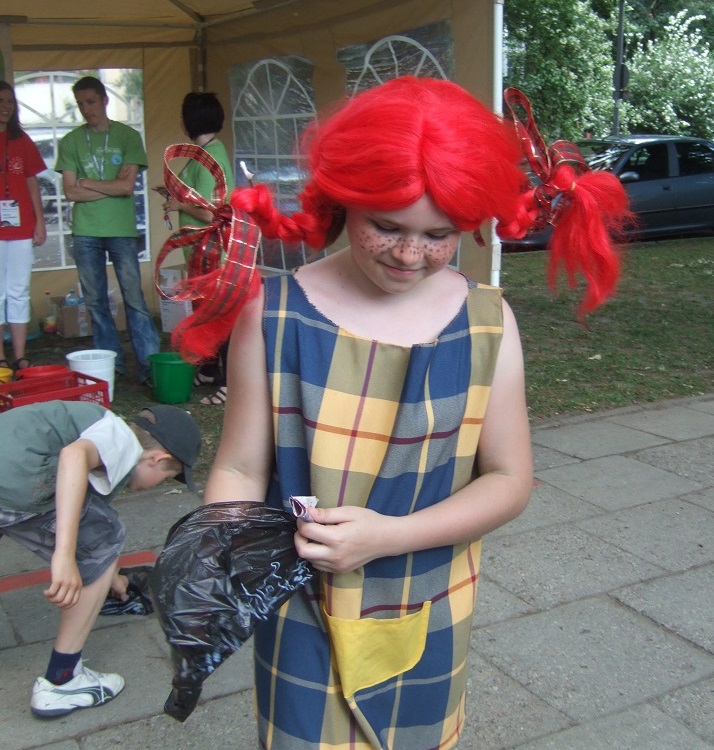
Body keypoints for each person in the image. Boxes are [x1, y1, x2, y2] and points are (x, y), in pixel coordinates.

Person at [201, 77, 630, 748]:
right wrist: (222, 552)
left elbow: (509, 480)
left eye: (439, 235)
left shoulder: (487, 325)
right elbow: (239, 467)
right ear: (345, 200)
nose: (409, 254)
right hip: (301, 606)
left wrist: (389, 536)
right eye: (387, 227)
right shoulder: (274, 316)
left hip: (429, 599)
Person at [0, 399, 201, 718]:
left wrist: (111, 575)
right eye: (165, 478)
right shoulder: (121, 438)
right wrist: (65, 555)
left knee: (95, 529)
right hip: (14, 484)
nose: (155, 485)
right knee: (105, 535)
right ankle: (62, 680)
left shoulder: (95, 428)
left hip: (11, 478)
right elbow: (73, 458)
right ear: (157, 458)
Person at [56, 76, 160, 386]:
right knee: (95, 302)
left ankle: (148, 366)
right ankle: (109, 366)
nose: (86, 109)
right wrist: (110, 186)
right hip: (85, 230)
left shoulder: (127, 136)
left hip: (121, 230)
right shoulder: (71, 141)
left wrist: (87, 183)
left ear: (104, 100)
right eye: (80, 104)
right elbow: (70, 192)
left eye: (91, 102)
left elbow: (127, 187)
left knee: (134, 299)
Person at [159, 91, 234, 406]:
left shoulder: (210, 159)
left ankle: (229, 383)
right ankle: (209, 370)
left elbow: (210, 213)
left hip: (214, 253)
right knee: (206, 314)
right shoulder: (203, 153)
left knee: (221, 319)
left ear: (190, 120)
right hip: (201, 253)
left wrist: (178, 204)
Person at [0, 80, 47, 373]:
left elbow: (32, 182)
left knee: (18, 290)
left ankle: (19, 356)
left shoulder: (22, 140)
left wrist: (40, 221)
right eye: (0, 101)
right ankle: (0, 358)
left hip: (21, 226)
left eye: (9, 101)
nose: (5, 107)